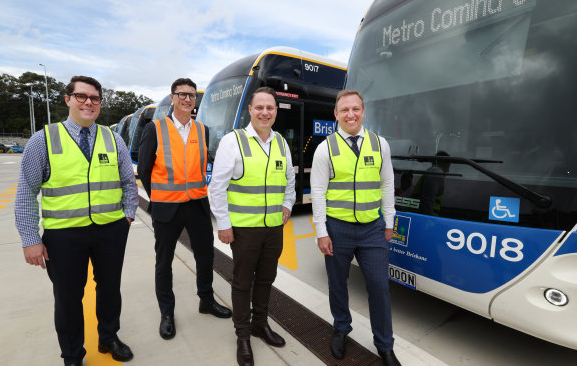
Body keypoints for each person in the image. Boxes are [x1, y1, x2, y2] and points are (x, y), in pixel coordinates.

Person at [15, 75, 138, 366]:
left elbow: (128, 182)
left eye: (94, 98)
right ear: (67, 99)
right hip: (64, 235)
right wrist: (30, 239)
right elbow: (26, 192)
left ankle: (109, 338)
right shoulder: (43, 139)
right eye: (81, 96)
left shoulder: (112, 138)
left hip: (110, 230)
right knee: (68, 299)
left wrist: (128, 215)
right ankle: (72, 354)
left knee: (110, 290)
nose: (88, 102)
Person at [310, 90, 401, 366]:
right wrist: (321, 232)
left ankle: (385, 345)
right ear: (335, 114)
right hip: (338, 229)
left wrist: (389, 221)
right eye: (345, 110)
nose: (351, 114)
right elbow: (317, 192)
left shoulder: (379, 144)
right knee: (338, 284)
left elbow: (387, 184)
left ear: (363, 111)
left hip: (373, 229)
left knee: (378, 287)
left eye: (356, 109)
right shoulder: (325, 148)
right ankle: (341, 328)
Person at [137, 78, 231, 341]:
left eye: (191, 95)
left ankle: (206, 300)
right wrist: (158, 197)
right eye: (182, 95)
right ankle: (167, 314)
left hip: (198, 205)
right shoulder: (156, 128)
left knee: (205, 256)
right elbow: (144, 169)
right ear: (173, 97)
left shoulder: (203, 130)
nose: (187, 99)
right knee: (164, 262)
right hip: (167, 207)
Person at [209, 87, 295, 366]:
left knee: (266, 279)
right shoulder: (233, 141)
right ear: (250, 110)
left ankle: (260, 324)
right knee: (243, 283)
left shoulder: (281, 143)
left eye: (270, 108)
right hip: (244, 230)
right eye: (259, 107)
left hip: (273, 228)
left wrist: (288, 205)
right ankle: (243, 335)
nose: (265, 112)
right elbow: (217, 188)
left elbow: (290, 182)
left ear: (276, 111)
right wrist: (224, 224)